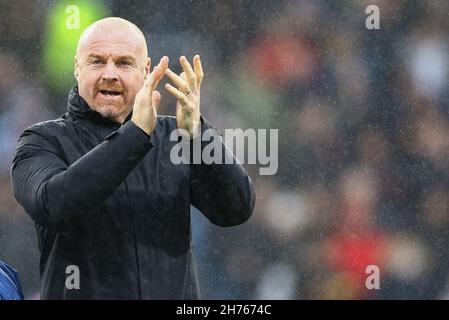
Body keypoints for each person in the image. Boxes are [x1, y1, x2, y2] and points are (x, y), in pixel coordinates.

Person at [10, 17, 255, 299]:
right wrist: (136, 134)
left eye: (124, 63)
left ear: (147, 70)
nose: (110, 74)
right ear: (77, 68)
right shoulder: (42, 140)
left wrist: (198, 133)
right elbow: (56, 206)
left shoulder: (176, 136)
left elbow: (236, 209)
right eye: (96, 61)